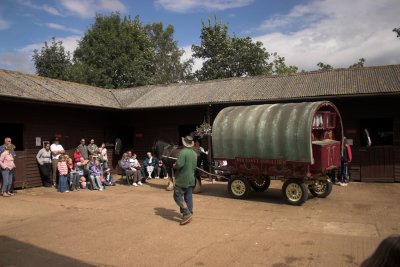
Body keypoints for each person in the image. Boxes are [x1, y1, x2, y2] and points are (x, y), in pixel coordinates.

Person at [173, 136, 197, 225]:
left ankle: (186, 214)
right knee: (188, 197)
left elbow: (179, 164)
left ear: (184, 143)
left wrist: (175, 165)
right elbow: (194, 167)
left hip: (182, 179)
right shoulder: (194, 154)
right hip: (191, 178)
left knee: (177, 196)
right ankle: (189, 213)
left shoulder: (183, 152)